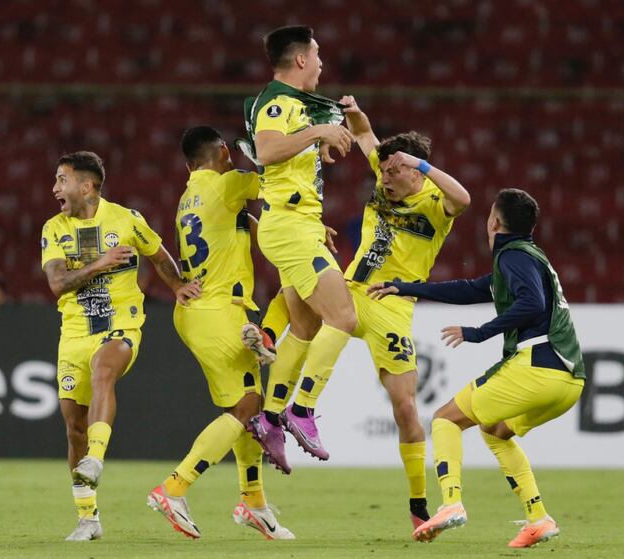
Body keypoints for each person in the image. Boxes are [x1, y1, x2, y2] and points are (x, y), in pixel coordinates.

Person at [247, 97, 472, 528]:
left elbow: (463, 198)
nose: (384, 177)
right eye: (382, 170)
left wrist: (421, 166)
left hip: (395, 308)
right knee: (312, 320)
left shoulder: (436, 204)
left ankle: (418, 504)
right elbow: (366, 133)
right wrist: (352, 111)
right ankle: (287, 413)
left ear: (414, 169)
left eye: (393, 171)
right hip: (353, 290)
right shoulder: (386, 171)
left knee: (405, 408)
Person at [368, 188, 586, 547]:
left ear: (494, 222)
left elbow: (533, 303)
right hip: (569, 379)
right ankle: (538, 518)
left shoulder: (513, 256)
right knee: (496, 431)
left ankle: (451, 503)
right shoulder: (529, 256)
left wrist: (479, 333)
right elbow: (472, 288)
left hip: (538, 364)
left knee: (444, 419)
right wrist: (405, 287)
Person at [41, 151, 200, 542]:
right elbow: (57, 284)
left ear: (86, 185)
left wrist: (178, 285)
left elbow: (159, 256)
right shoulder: (53, 229)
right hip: (74, 332)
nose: (55, 188)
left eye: (62, 180)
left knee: (103, 371)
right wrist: (102, 263)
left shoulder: (127, 219)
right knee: (74, 429)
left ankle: (97, 457)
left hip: (120, 324)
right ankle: (88, 518)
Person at [146, 126, 294, 540]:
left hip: (198, 311)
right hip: (219, 312)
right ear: (224, 152)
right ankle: (174, 489)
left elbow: (244, 223)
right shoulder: (228, 183)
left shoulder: (190, 196)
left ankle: (254, 502)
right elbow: (278, 183)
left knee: (248, 406)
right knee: (247, 407)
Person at [242, 24, 358, 471]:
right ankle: (302, 410)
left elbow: (286, 163)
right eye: (319, 55)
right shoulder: (277, 103)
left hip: (300, 224)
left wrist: (316, 143)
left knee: (306, 328)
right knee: (343, 317)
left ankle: (271, 419)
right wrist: (318, 134)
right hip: (288, 228)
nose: (323, 64)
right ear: (302, 60)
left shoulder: (296, 108)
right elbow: (267, 151)